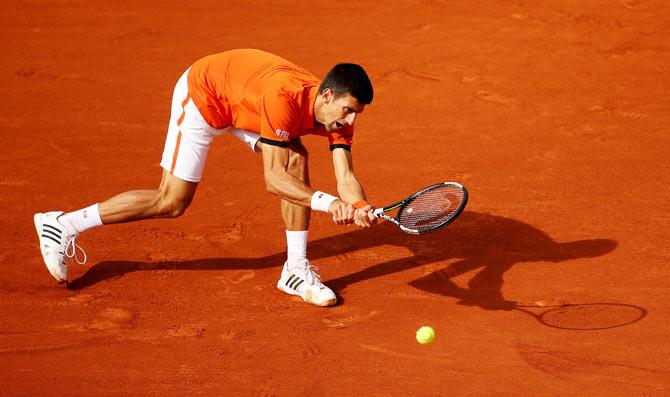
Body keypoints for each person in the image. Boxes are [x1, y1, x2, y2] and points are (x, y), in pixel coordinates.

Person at [34, 48, 377, 307]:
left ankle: (295, 269)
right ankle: (64, 224)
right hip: (206, 95)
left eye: (356, 113)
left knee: (293, 157)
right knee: (171, 202)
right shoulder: (282, 97)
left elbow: (345, 175)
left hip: (244, 103)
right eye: (347, 110)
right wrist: (330, 203)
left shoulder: (337, 118)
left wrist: (359, 204)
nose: (349, 121)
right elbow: (273, 179)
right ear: (327, 95)